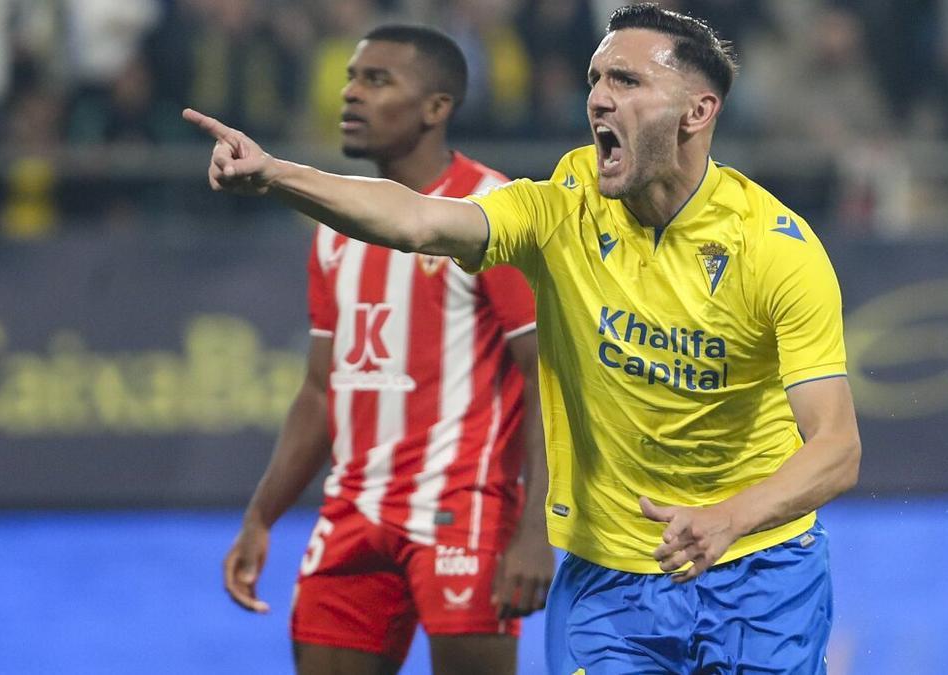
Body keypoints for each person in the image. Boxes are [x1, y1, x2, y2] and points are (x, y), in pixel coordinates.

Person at [190, 4, 861, 673]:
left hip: (760, 570)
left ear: (696, 112)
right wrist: (277, 174)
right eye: (596, 78)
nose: (598, 96)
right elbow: (419, 219)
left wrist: (729, 517)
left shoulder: (776, 250)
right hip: (609, 583)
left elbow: (835, 446)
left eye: (626, 81)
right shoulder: (559, 208)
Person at [217, 25, 554, 675]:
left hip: (464, 511)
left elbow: (545, 376)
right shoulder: (333, 228)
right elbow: (321, 390)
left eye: (377, 80)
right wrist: (261, 515)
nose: (350, 94)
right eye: (351, 77)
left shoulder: (495, 213)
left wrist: (536, 529)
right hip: (353, 513)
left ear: (437, 108)